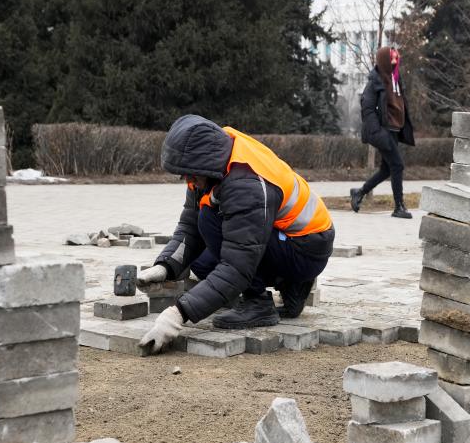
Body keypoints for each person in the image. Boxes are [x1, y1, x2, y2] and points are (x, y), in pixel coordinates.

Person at [138, 115, 335, 353]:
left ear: (201, 162)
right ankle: (292, 286)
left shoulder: (245, 182)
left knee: (211, 220)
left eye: (188, 174)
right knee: (201, 263)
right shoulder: (208, 161)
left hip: (306, 249)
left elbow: (237, 265)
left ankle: (258, 302)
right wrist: (165, 266)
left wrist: (177, 315)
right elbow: (190, 226)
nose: (187, 180)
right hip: (286, 239)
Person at [349, 46, 415, 219]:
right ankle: (399, 206)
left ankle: (359, 192)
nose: (395, 61)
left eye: (396, 58)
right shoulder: (375, 82)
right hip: (383, 133)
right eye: (392, 59)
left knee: (387, 169)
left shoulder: (396, 80)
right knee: (398, 165)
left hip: (394, 131)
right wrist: (378, 133)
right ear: (384, 61)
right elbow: (368, 109)